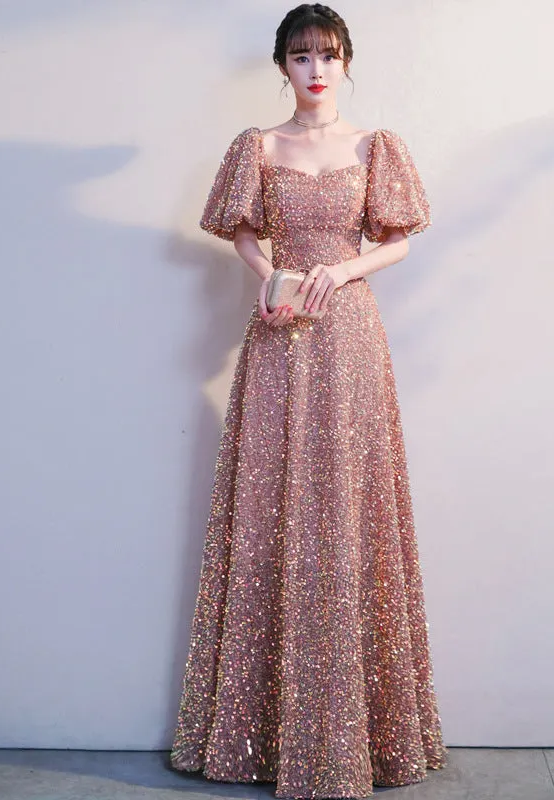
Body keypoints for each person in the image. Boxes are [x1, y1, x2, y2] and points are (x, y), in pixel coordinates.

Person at [170, 4, 448, 798]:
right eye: (300, 56)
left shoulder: (376, 146)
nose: (315, 69)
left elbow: (397, 240)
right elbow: (242, 234)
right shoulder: (256, 147)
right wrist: (274, 279)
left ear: (346, 61)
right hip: (279, 331)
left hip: (350, 336)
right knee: (273, 502)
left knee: (350, 502)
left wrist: (343, 270)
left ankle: (368, 737)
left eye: (327, 54)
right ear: (282, 66)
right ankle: (257, 735)